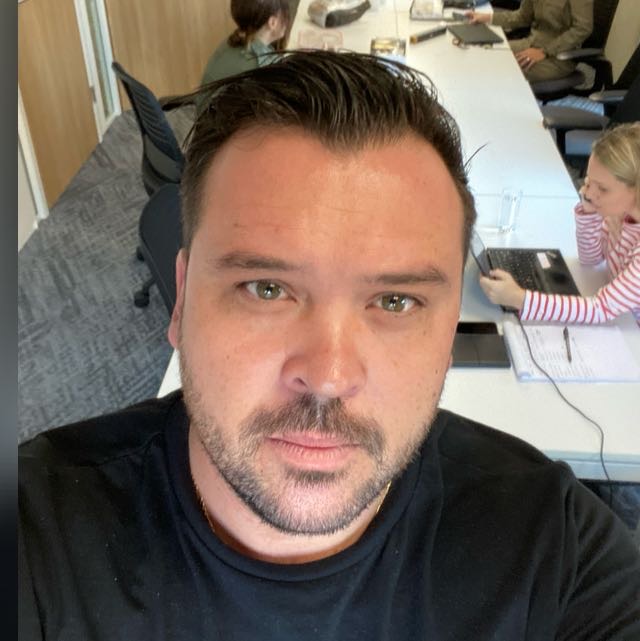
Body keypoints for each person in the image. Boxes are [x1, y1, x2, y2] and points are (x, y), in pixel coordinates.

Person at [19, 52, 640, 640]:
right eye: (266, 289)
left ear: (450, 328)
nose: (328, 376)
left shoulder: (553, 546)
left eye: (394, 301)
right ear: (181, 300)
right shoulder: (38, 533)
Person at [480, 123, 640, 323]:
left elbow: (600, 309)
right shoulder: (620, 214)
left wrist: (519, 298)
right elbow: (590, 259)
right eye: (589, 181)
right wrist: (589, 211)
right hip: (623, 316)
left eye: (602, 189)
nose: (589, 193)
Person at [468, 0, 593, 84]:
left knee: (501, 70)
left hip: (559, 56)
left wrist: (545, 51)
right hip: (531, 43)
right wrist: (489, 18)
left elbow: (583, 29)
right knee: (484, 54)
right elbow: (522, 17)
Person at [196, 0, 289, 111]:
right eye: (285, 15)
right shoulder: (264, 65)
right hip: (219, 118)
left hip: (203, 110)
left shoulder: (233, 39)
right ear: (273, 22)